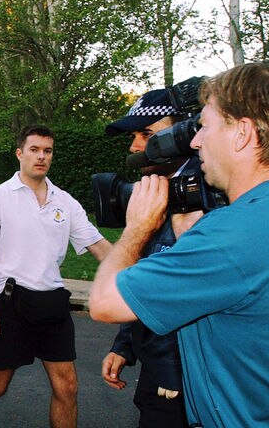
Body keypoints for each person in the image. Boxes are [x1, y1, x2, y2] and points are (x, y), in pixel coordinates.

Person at [89, 61, 269, 427]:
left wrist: (137, 229)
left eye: (204, 126)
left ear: (242, 133)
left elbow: (105, 302)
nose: (197, 141)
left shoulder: (235, 232)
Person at [0, 125, 112, 428]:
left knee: (67, 387)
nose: (41, 156)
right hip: (11, 304)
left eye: (47, 150)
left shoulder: (64, 202)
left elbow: (100, 247)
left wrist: (136, 269)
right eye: (34, 149)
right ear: (20, 153)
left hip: (53, 304)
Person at [100, 89, 192, 427]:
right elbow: (146, 279)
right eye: (134, 136)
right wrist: (125, 344)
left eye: (147, 134)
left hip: (184, 384)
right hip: (158, 371)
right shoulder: (159, 192)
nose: (135, 146)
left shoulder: (208, 197)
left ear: (185, 133)